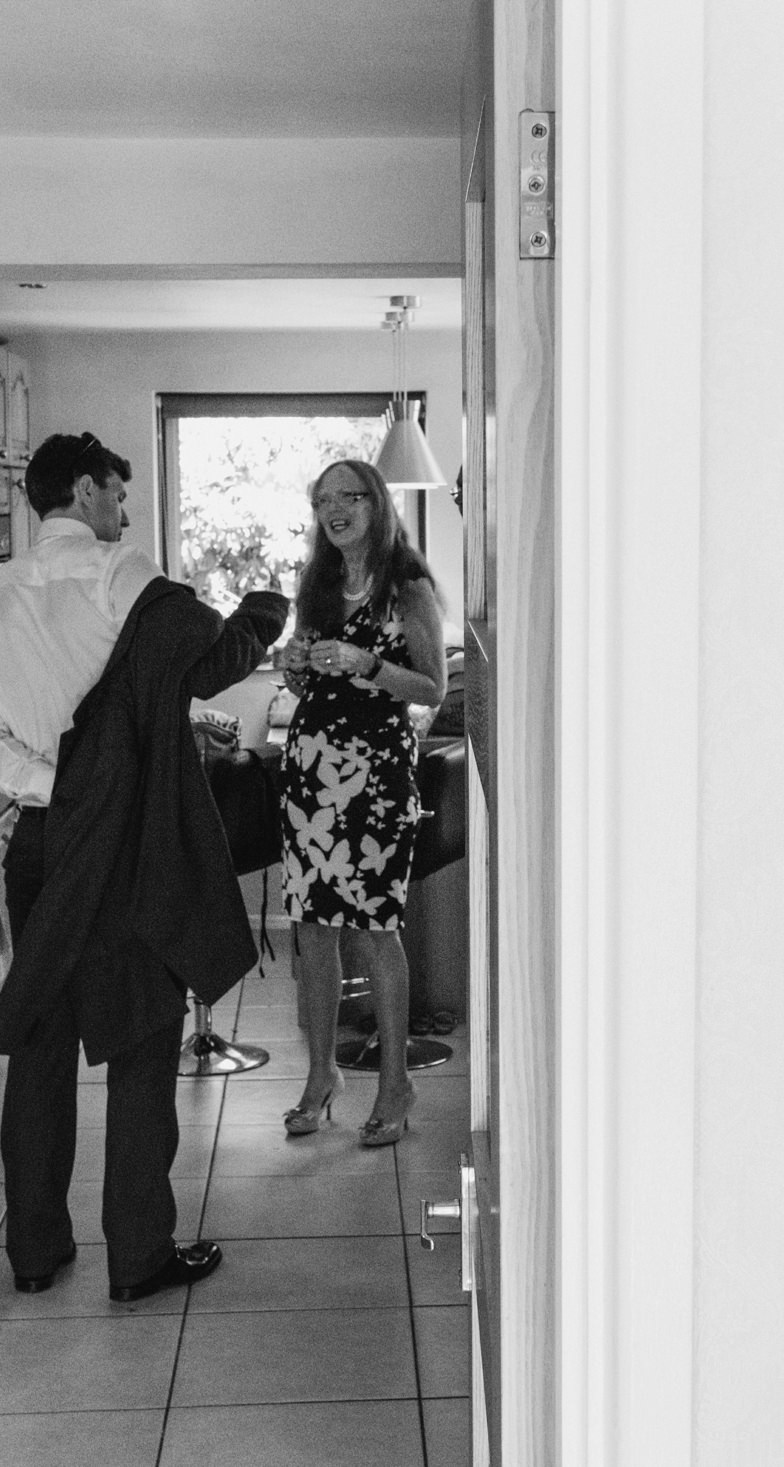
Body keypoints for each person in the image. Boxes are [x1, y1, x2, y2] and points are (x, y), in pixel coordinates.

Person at [0, 431, 288, 1301]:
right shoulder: (120, 574)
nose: (124, 512)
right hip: (129, 849)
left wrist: (56, 785)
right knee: (142, 1045)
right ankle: (138, 1254)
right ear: (90, 490)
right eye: (117, 494)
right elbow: (213, 664)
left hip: (41, 848)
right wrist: (267, 606)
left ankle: (34, 1250)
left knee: (40, 1046)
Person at [277, 459, 448, 1146]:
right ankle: (322, 1077)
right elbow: (308, 688)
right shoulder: (317, 584)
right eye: (323, 500)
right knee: (313, 928)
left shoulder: (405, 586)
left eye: (348, 496)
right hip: (311, 775)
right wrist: (297, 667)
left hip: (376, 779)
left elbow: (432, 686)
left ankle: (395, 1086)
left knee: (375, 929)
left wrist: (367, 664)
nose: (334, 509)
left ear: (376, 503)